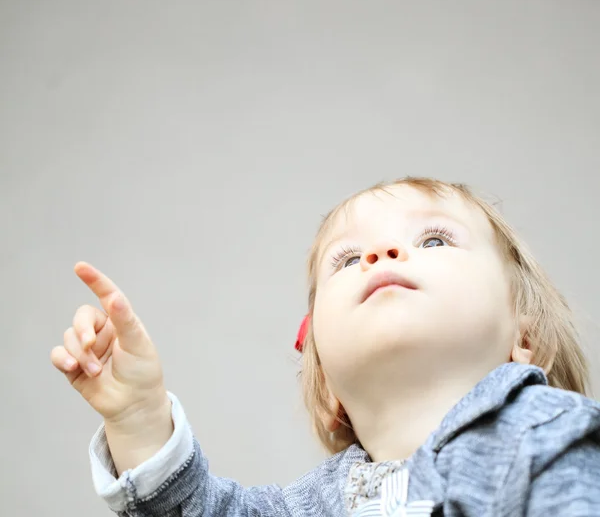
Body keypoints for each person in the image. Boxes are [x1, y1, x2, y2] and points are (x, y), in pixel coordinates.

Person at [50, 176, 600, 516]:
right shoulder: (315, 505)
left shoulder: (550, 437)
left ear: (524, 337)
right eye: (346, 258)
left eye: (433, 239)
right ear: (327, 384)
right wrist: (140, 419)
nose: (382, 252)